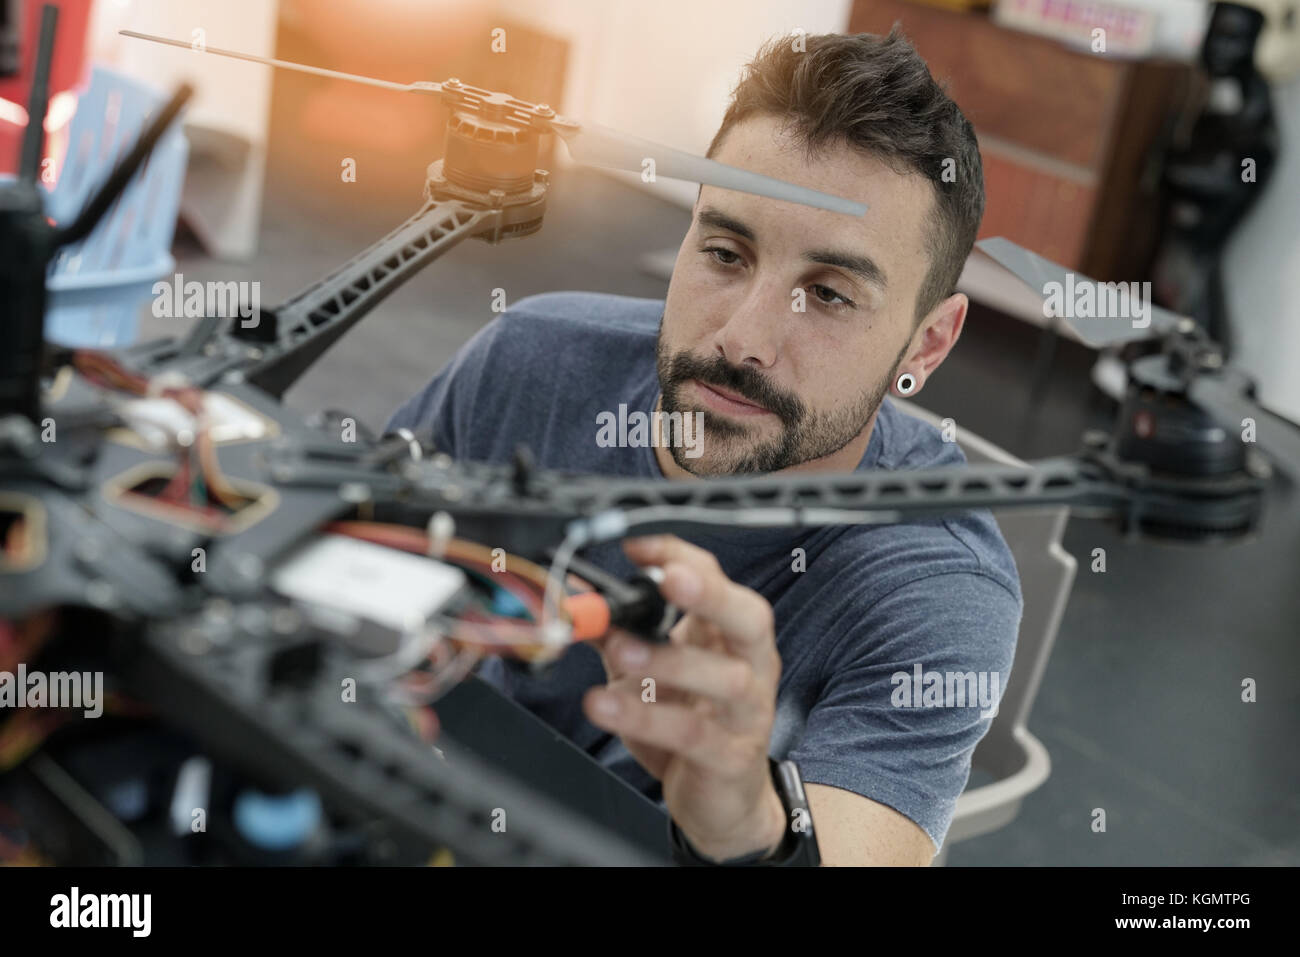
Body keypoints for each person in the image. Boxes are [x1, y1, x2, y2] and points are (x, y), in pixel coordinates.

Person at [387, 28, 1022, 865]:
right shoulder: (531, 357)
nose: (743, 338)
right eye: (725, 252)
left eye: (828, 295)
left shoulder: (934, 588)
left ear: (926, 346)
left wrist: (749, 829)